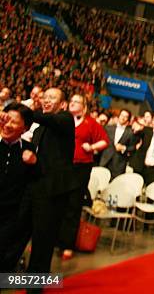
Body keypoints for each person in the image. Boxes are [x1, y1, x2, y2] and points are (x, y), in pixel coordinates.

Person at [13, 87, 77, 273]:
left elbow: (44, 117)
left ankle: (36, 284)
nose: (46, 100)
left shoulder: (65, 120)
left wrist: (22, 110)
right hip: (33, 186)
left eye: (51, 98)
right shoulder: (40, 130)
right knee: (19, 231)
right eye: (45, 97)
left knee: (43, 239)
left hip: (53, 191)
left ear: (63, 104)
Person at [58, 94, 109, 260]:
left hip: (80, 167)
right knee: (59, 203)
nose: (73, 103)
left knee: (73, 206)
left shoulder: (90, 123)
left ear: (84, 106)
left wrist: (92, 147)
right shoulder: (63, 119)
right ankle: (54, 239)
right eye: (71, 101)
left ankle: (67, 245)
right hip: (63, 165)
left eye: (77, 102)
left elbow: (104, 142)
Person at [0, 102, 37, 271]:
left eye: (14, 122)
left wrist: (35, 163)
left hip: (12, 214)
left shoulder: (30, 151)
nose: (7, 125)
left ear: (25, 128)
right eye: (6, 120)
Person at [99, 109, 137, 179]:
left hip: (119, 164)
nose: (123, 118)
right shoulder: (108, 128)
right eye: (122, 115)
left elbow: (133, 148)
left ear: (128, 120)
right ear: (118, 116)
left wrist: (123, 148)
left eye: (125, 116)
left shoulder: (130, 133)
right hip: (105, 160)